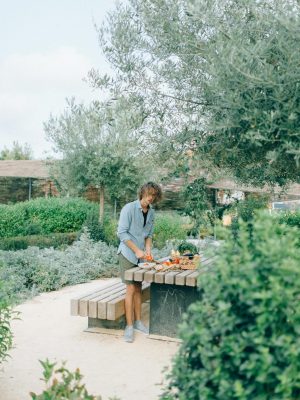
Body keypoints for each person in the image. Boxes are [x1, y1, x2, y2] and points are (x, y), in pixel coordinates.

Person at [117, 182, 162, 343]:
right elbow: (121, 233)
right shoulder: (128, 209)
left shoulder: (151, 213)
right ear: (142, 193)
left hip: (141, 256)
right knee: (130, 288)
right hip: (128, 254)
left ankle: (137, 322)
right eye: (149, 194)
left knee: (138, 288)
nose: (151, 198)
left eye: (154, 195)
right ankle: (129, 327)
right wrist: (136, 250)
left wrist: (148, 250)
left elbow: (148, 234)